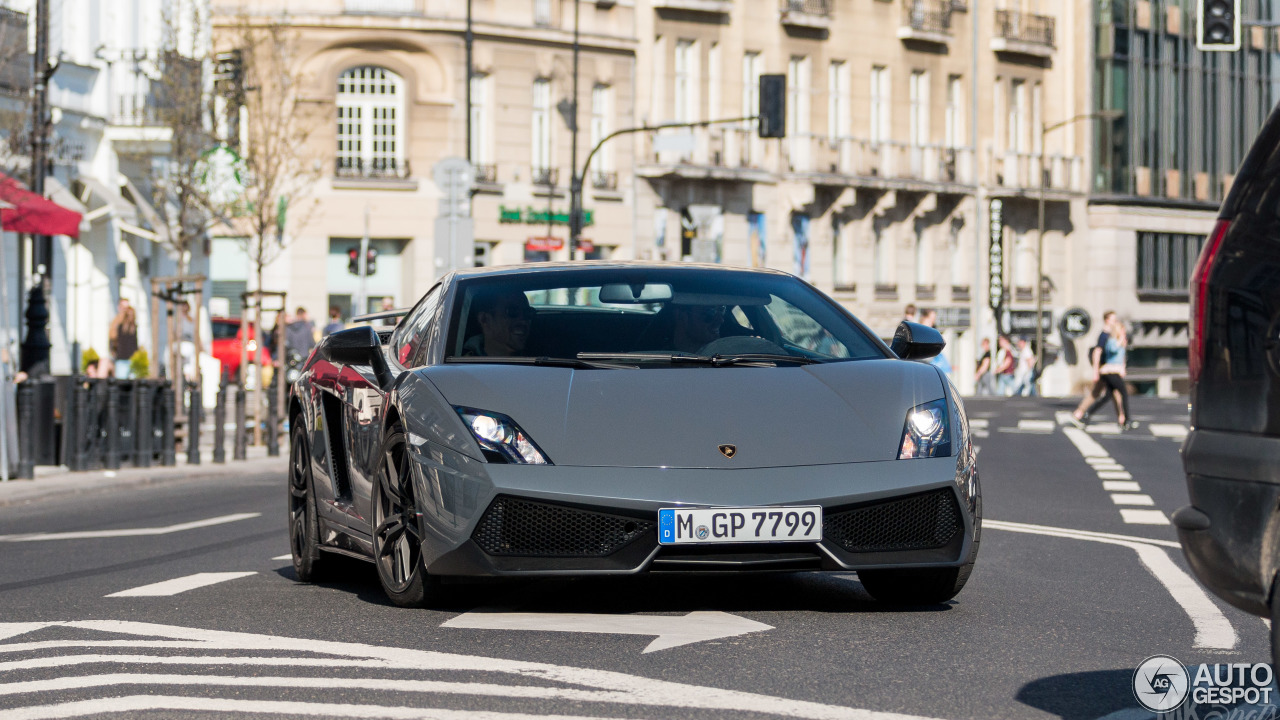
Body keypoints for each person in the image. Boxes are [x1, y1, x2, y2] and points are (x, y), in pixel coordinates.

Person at [1072, 311, 1135, 430]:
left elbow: (1121, 355)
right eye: (1113, 319)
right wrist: (1096, 370)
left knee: (1109, 395)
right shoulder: (1106, 336)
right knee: (1108, 393)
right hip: (1107, 369)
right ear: (1107, 320)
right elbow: (1098, 351)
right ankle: (1081, 413)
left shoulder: (1112, 335)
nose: (1115, 322)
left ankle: (1120, 419)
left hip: (1109, 369)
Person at [463, 290, 534, 356]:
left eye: (528, 312)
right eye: (512, 311)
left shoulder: (539, 360)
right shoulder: (465, 365)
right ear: (484, 320)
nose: (523, 321)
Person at [108, 299, 139, 379]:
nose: (125, 310)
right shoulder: (116, 323)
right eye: (123, 307)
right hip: (121, 359)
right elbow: (112, 340)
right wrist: (113, 352)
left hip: (132, 359)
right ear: (119, 307)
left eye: (127, 307)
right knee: (121, 381)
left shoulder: (131, 323)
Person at [919, 308, 952, 378]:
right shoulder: (922, 329)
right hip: (927, 360)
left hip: (935, 358)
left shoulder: (933, 328)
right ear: (925, 318)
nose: (933, 320)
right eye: (932, 318)